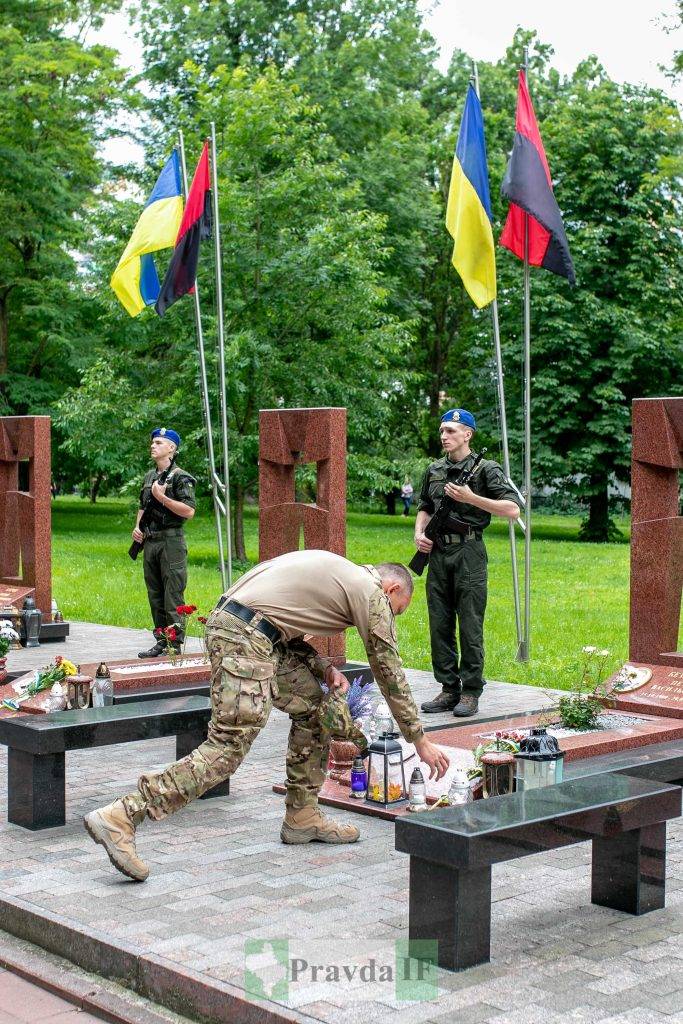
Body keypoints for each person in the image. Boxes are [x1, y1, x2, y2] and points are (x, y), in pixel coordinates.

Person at [84, 552, 450, 881]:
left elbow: (281, 625)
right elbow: (387, 668)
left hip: (251, 631)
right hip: (246, 639)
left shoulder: (342, 576)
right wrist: (419, 738)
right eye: (397, 610)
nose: (391, 618)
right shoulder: (370, 592)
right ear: (391, 588)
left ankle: (302, 817)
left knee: (315, 710)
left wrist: (322, 668)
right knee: (227, 747)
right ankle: (123, 815)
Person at [415, 409, 521, 718]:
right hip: (437, 553)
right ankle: (449, 688)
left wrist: (470, 498)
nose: (444, 436)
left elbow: (512, 509)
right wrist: (419, 533)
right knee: (440, 623)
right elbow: (424, 506)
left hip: (469, 552)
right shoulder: (434, 469)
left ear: (467, 434)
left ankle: (471, 691)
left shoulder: (486, 469)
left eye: (450, 431)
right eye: (442, 431)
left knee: (470, 624)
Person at [134, 428, 196, 659]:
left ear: (171, 448)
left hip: (171, 541)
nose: (153, 446)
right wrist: (137, 527)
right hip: (151, 540)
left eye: (159, 443)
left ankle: (175, 643)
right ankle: (161, 640)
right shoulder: (150, 477)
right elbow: (142, 506)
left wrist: (162, 497)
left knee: (173, 593)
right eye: (152, 442)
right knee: (155, 593)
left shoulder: (180, 477)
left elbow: (189, 511)